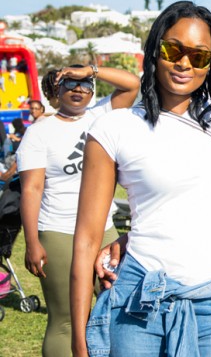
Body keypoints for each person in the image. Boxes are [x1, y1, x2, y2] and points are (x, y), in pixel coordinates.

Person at [70, 1, 211, 357]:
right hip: (140, 299)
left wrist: (127, 236)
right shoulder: (114, 128)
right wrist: (79, 341)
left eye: (199, 56)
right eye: (173, 50)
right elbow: (86, 240)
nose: (184, 63)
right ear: (154, 51)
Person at [16, 63, 140, 357]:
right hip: (60, 233)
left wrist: (91, 70)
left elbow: (132, 84)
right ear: (56, 90)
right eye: (69, 83)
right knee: (67, 321)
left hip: (105, 231)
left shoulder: (101, 116)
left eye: (84, 84)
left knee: (118, 310)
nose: (78, 89)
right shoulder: (39, 133)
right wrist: (32, 243)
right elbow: (32, 189)